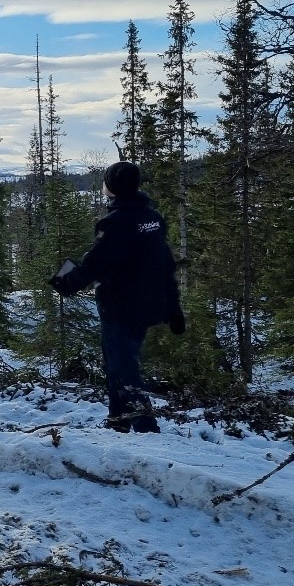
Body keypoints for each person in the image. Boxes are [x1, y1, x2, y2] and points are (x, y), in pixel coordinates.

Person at [49, 160, 184, 433]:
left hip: (120, 305)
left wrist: (65, 284)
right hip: (148, 303)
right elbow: (165, 265)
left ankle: (145, 424)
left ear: (112, 186)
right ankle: (118, 421)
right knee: (116, 360)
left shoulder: (115, 223)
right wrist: (173, 308)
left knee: (123, 364)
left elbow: (95, 264)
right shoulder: (152, 219)